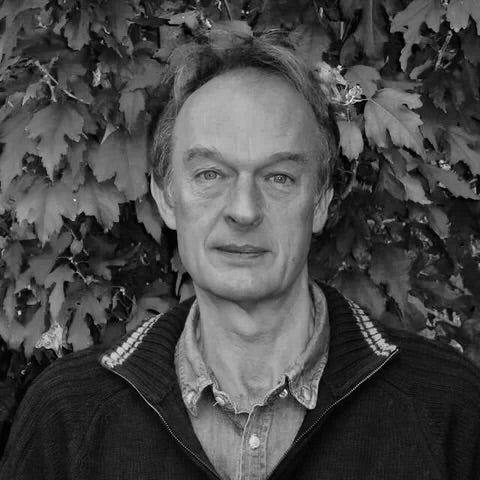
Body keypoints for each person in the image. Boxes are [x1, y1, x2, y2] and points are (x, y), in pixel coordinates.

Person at [1, 35, 480, 480]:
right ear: (166, 198)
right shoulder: (68, 417)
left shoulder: (448, 410)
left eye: (279, 177)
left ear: (320, 203)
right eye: (210, 174)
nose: (244, 211)